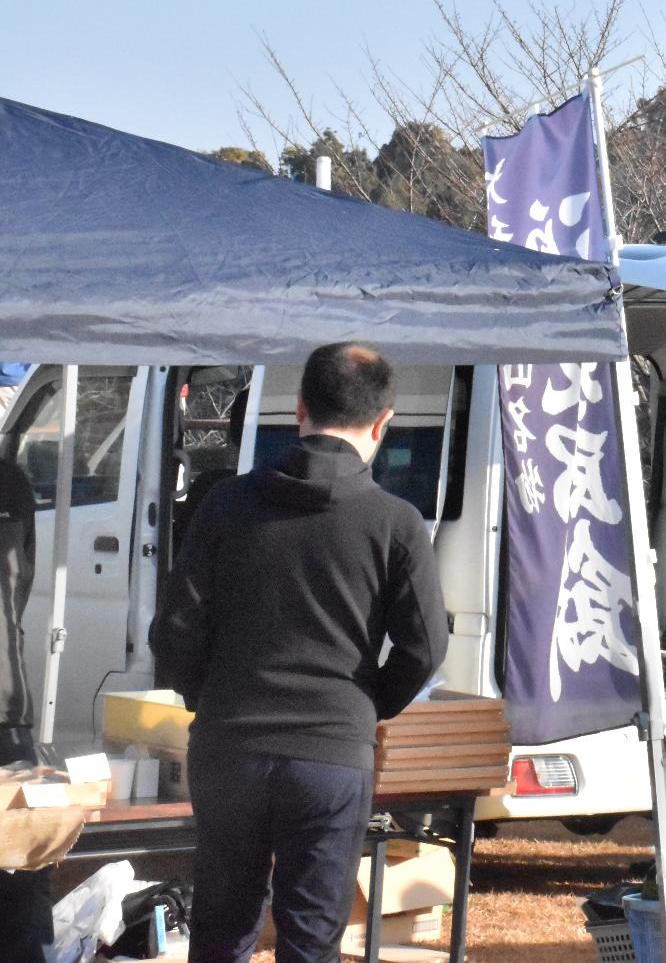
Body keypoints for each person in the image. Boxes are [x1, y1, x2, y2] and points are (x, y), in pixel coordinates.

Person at [151, 342, 449, 963]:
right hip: (333, 753)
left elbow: (176, 629)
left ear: (299, 409)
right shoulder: (395, 522)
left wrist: (207, 695)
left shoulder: (226, 503)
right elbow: (425, 647)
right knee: (312, 937)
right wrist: (367, 706)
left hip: (231, 742)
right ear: (382, 421)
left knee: (219, 927)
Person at [0, 453, 54, 961]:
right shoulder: (11, 478)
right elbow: (21, 582)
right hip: (8, 696)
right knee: (19, 865)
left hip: (9, 704)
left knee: (21, 863)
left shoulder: (10, 479)